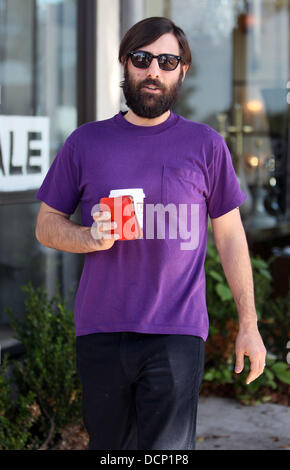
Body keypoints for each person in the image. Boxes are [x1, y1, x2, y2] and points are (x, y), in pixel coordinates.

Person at [35, 16, 267, 450]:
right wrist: (88, 238)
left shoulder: (205, 145)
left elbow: (232, 237)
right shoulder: (86, 143)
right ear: (125, 64)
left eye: (166, 60)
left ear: (183, 70)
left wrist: (248, 324)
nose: (153, 71)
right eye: (142, 59)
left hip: (176, 332)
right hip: (101, 330)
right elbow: (46, 225)